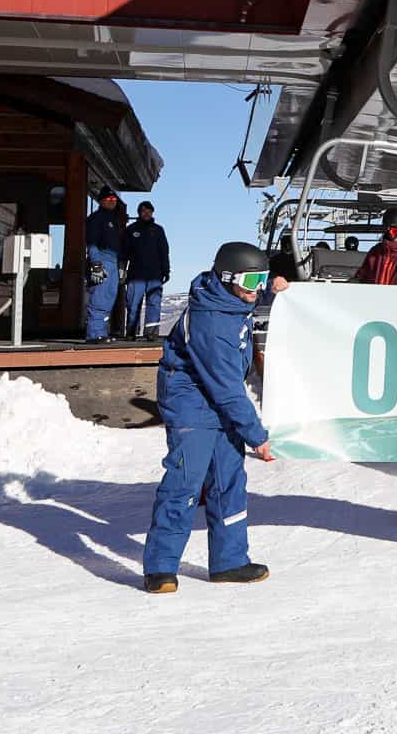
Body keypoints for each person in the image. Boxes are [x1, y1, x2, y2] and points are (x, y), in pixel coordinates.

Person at [141, 242, 288, 594]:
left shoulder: (234, 297)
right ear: (228, 278)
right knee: (186, 482)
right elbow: (227, 389)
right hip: (191, 400)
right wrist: (257, 435)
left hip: (219, 398)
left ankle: (230, 561)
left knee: (229, 481)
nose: (258, 287)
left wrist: (278, 288)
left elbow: (250, 299)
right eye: (253, 279)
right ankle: (160, 567)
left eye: (262, 279)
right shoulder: (212, 323)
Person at [121, 200, 171, 341]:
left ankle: (151, 332)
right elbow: (124, 252)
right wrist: (122, 270)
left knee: (154, 304)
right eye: (144, 211)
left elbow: (164, 252)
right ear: (139, 212)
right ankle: (131, 332)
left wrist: (166, 271)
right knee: (133, 304)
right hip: (136, 274)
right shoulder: (131, 230)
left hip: (155, 274)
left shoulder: (158, 230)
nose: (147, 214)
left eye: (149, 211)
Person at [83, 187, 125, 343]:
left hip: (113, 260)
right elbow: (91, 243)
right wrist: (96, 264)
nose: (112, 202)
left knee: (109, 297)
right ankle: (94, 334)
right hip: (101, 258)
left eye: (114, 200)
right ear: (101, 201)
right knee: (99, 296)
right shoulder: (96, 218)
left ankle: (102, 332)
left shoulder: (114, 220)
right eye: (108, 199)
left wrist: (121, 266)